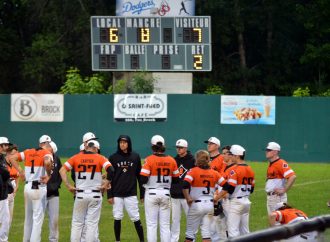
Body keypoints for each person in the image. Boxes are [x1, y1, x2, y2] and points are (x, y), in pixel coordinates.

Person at [59, 140, 113, 242]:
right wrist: (105, 184)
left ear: (86, 147)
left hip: (80, 194)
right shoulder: (100, 158)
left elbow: (62, 170)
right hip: (95, 194)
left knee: (77, 223)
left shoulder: (76, 157)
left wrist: (69, 186)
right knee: (92, 224)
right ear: (95, 148)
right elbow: (111, 170)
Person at [9, 135, 53, 242]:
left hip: (27, 187)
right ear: (48, 144)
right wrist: (49, 175)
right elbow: (47, 162)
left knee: (28, 219)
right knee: (37, 220)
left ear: (40, 144)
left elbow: (12, 158)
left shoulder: (28, 151)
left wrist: (21, 171)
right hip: (39, 188)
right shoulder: (46, 152)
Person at [140, 135, 179, 242]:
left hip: (151, 193)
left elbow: (143, 179)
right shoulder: (172, 160)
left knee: (152, 225)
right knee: (165, 225)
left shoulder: (149, 159)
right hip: (166, 193)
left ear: (153, 146)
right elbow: (176, 180)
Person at [107, 135, 145, 242]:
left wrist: (142, 194)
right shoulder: (113, 157)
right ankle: (117, 240)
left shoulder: (135, 157)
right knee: (117, 217)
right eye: (120, 142)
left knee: (136, 218)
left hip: (131, 193)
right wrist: (109, 195)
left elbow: (140, 177)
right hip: (117, 194)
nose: (122, 144)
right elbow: (109, 177)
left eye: (124, 142)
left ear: (129, 144)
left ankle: (142, 240)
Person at [214, 145, 255, 238]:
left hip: (236, 203)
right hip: (246, 202)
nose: (230, 156)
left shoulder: (234, 170)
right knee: (245, 231)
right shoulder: (250, 169)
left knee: (233, 231)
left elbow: (230, 188)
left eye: (232, 154)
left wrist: (216, 198)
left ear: (237, 156)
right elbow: (251, 189)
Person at [182, 150, 221, 242]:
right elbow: (227, 186)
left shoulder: (193, 171)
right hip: (209, 205)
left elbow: (185, 184)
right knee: (206, 235)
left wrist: (188, 198)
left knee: (190, 235)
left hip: (196, 205)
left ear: (197, 160)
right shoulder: (214, 173)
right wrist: (217, 198)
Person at [170, 139, 195, 242]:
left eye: (180, 148)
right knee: (175, 220)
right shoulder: (174, 160)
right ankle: (173, 239)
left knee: (191, 219)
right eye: (177, 147)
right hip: (175, 194)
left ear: (186, 148)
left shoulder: (193, 160)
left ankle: (191, 239)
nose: (178, 149)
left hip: (187, 195)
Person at [265, 142, 296, 214]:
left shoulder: (280, 163)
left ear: (275, 152)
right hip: (272, 198)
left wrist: (284, 190)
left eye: (269, 150)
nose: (266, 152)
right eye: (266, 150)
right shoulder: (272, 163)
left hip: (277, 198)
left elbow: (292, 176)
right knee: (274, 222)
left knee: (278, 222)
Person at [45, 141, 62, 242]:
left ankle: (53, 240)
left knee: (54, 219)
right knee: (37, 219)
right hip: (41, 193)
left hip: (54, 193)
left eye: (49, 146)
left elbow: (60, 173)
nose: (47, 147)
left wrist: (56, 186)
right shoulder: (40, 157)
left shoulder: (56, 158)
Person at [5, 144, 20, 231]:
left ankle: (4, 238)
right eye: (14, 153)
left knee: (10, 217)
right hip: (3, 191)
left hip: (12, 192)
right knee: (3, 216)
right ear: (8, 153)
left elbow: (17, 175)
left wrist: (16, 187)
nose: (15, 155)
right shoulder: (2, 163)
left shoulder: (14, 163)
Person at [0, 137, 11, 242]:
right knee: (4, 219)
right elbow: (5, 173)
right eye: (5, 145)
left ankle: (3, 239)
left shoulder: (2, 157)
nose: (7, 147)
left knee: (5, 219)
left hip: (3, 193)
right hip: (1, 194)